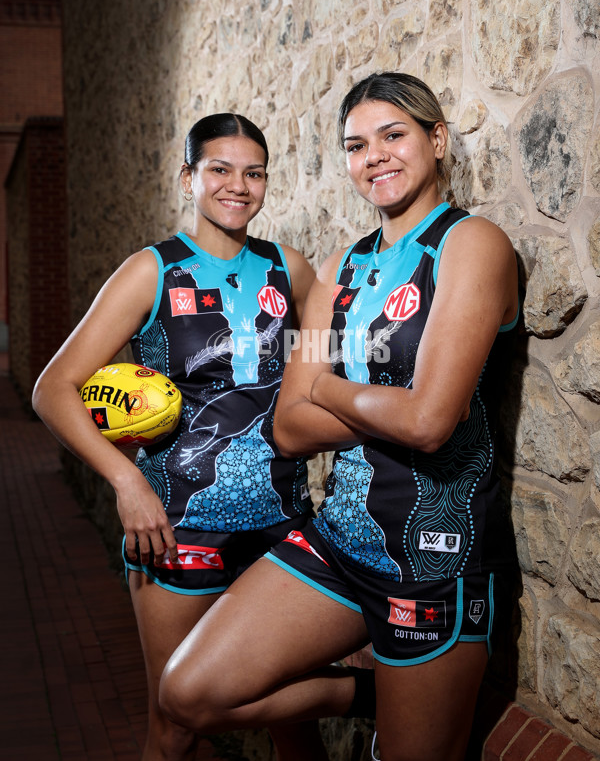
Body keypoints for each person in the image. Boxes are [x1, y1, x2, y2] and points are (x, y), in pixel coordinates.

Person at [159, 73, 520, 761]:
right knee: (187, 692)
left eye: (394, 136)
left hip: (430, 561)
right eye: (357, 145)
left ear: (436, 141)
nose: (375, 156)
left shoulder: (471, 246)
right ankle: (365, 697)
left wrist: (327, 390)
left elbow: (428, 424)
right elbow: (287, 429)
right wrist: (378, 403)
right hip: (338, 541)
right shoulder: (338, 272)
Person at [32, 112, 326, 761]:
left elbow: (326, 378)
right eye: (219, 170)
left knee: (295, 724)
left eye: (254, 173)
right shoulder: (151, 271)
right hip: (176, 526)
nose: (238, 186)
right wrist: (125, 480)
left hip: (283, 525)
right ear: (189, 176)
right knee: (175, 725)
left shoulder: (291, 271)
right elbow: (53, 389)